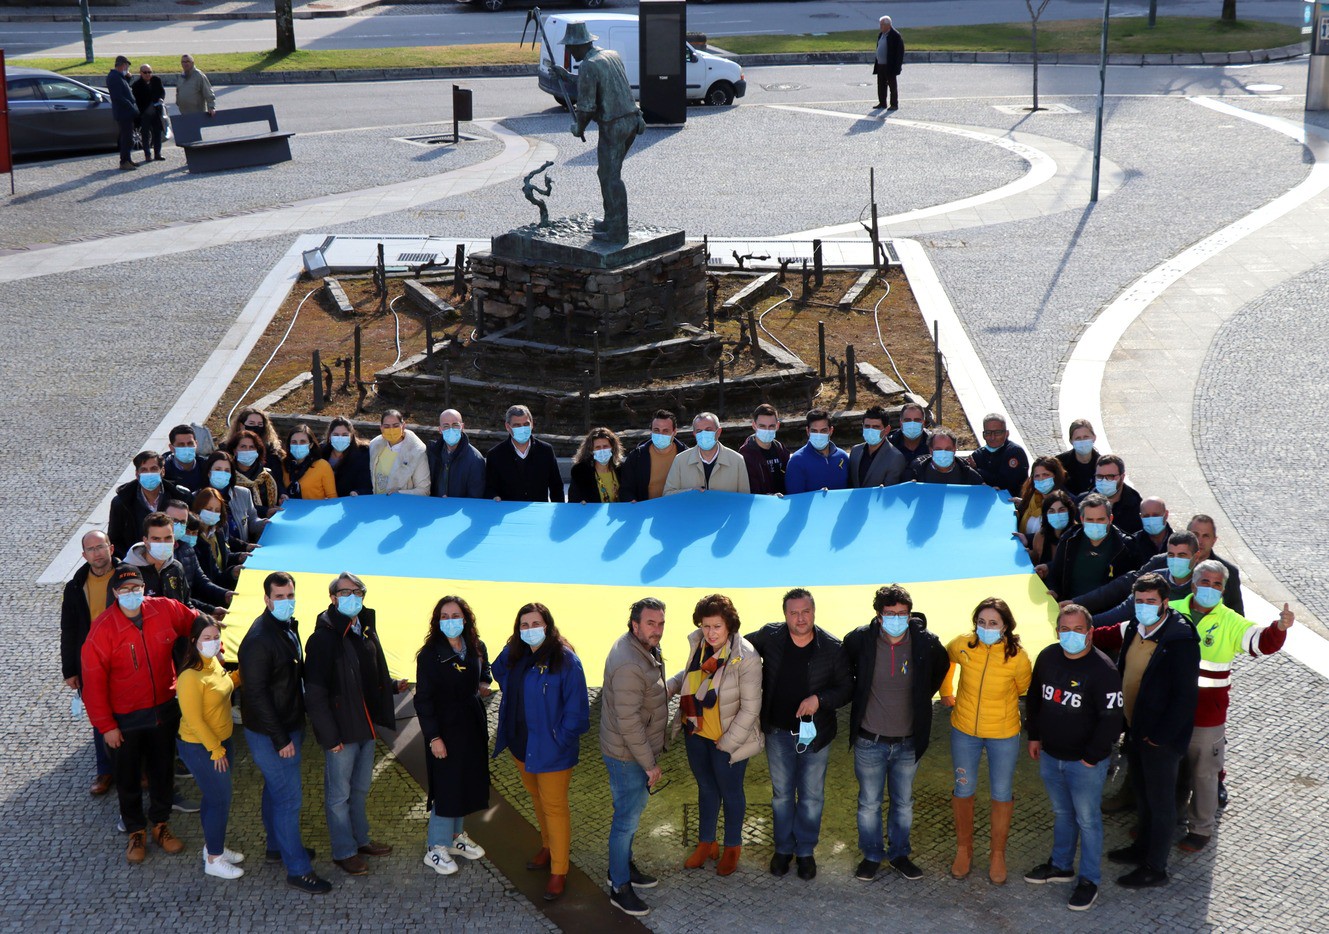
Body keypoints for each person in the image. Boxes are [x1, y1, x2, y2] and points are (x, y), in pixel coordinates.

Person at [1168, 562, 1291, 852]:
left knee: (1204, 773)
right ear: (1194, 583)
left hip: (1207, 713)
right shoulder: (1171, 608)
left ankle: (1200, 829)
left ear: (1224, 589)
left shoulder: (1231, 620)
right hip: (1170, 709)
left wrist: (1280, 628)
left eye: (1217, 584)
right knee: (1168, 768)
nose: (1211, 588)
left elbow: (1260, 642)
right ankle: (1164, 819)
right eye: (1206, 582)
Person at [81, 565, 199, 864]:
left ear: (144, 588)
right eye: (124, 590)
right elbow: (92, 685)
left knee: (163, 771)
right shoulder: (102, 630)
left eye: (136, 588)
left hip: (164, 708)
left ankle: (161, 824)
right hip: (125, 718)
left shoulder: (165, 609)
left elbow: (197, 624)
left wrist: (213, 648)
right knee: (127, 777)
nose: (131, 594)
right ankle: (135, 830)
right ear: (115, 594)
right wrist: (106, 726)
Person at [840, 584, 948, 882]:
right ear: (879, 616)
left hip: (908, 743)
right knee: (869, 803)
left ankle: (900, 854)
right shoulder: (859, 640)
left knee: (903, 803)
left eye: (903, 614)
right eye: (891, 614)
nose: (897, 619)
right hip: (869, 741)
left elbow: (938, 671)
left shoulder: (926, 644)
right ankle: (872, 855)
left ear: (910, 614)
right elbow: (846, 670)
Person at [1023, 604, 1124, 912]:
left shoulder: (1103, 670)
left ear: (1090, 632)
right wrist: (1035, 736)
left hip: (1085, 764)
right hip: (1051, 756)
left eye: (1077, 630)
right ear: (1057, 632)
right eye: (1064, 630)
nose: (1070, 635)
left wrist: (1092, 759)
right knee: (1062, 814)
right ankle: (1061, 865)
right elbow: (1035, 697)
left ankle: (1089, 880)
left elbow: (1112, 719)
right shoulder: (1048, 656)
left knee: (1088, 820)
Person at [304, 573, 405, 876]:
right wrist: (329, 735)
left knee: (359, 789)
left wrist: (389, 686)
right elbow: (315, 692)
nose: (351, 596)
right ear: (332, 598)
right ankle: (343, 850)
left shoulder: (364, 628)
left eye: (356, 591)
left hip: (366, 725)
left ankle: (361, 840)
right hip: (342, 731)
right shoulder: (322, 638)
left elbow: (366, 672)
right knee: (339, 796)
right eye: (344, 592)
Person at [747, 588, 851, 881]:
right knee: (781, 796)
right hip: (778, 733)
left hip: (815, 736)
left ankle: (805, 851)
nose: (800, 618)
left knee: (811, 797)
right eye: (793, 613)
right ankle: (782, 849)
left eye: (805, 612)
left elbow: (846, 688)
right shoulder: (770, 636)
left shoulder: (832, 647)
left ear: (814, 612)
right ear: (785, 615)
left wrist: (819, 700)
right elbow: (739, 647)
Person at [238, 572, 332, 894]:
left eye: (290, 595)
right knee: (289, 799)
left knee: (276, 791)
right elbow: (256, 695)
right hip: (273, 733)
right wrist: (280, 740)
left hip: (288, 724)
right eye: (279, 597)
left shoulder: (286, 626)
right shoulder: (259, 640)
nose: (286, 602)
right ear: (266, 599)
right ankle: (298, 869)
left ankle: (278, 847)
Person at [1103, 574, 1199, 888]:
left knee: (1161, 804)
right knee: (1142, 795)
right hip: (1135, 729)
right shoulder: (1135, 627)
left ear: (1165, 602)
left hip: (1160, 739)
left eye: (1151, 602)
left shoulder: (1180, 640)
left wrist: (1159, 737)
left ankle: (1155, 867)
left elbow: (1185, 697)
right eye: (1140, 601)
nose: (1144, 607)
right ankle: (1140, 848)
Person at [491, 603, 590, 901]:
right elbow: (497, 671)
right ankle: (548, 847)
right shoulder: (517, 656)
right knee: (538, 800)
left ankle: (559, 870)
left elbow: (578, 712)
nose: (529, 629)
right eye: (524, 625)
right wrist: (512, 644)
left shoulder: (566, 661)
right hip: (523, 746)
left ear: (547, 625)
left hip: (552, 751)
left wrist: (559, 739)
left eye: (535, 623)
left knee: (555, 807)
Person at [668, 594, 763, 876]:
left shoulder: (746, 656)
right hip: (696, 732)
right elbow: (690, 675)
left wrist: (729, 742)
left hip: (727, 741)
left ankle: (732, 847)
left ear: (729, 626)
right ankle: (706, 843)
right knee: (706, 789)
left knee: (731, 793)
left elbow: (750, 708)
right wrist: (670, 686)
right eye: (705, 626)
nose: (710, 633)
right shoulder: (699, 643)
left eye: (716, 627)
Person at [942, 597, 1032, 884]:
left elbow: (1023, 688)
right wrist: (946, 691)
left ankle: (997, 854)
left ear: (1005, 625)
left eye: (993, 623)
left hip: (1003, 734)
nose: (986, 627)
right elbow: (947, 658)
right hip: (965, 729)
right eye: (981, 622)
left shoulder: (1017, 657)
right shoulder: (963, 644)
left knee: (1002, 792)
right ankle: (963, 849)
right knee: (963, 786)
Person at [601, 598, 669, 917]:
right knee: (626, 820)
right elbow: (628, 721)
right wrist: (649, 764)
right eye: (651, 623)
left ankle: (621, 867)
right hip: (629, 756)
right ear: (635, 625)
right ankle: (619, 886)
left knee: (627, 816)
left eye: (661, 623)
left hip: (627, 751)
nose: (657, 630)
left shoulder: (639, 647)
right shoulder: (630, 662)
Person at [416, 595, 492, 876]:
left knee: (465, 781)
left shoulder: (474, 646)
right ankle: (435, 847)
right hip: (445, 728)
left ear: (465, 618)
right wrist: (434, 737)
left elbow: (486, 669)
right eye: (445, 617)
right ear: (437, 622)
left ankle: (455, 837)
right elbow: (423, 700)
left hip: (471, 725)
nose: (451, 621)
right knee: (447, 786)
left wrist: (484, 682)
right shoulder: (429, 656)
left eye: (455, 615)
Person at [551, 21, 647, 242]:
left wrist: (579, 127)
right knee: (608, 174)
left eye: (570, 47)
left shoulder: (588, 65)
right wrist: (566, 76)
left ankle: (618, 229)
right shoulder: (610, 55)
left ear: (580, 45)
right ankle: (611, 220)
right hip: (632, 120)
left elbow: (586, 107)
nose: (568, 50)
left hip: (614, 125)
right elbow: (597, 81)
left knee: (610, 177)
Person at [175, 615, 244, 879]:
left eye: (216, 637)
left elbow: (223, 686)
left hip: (223, 740)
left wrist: (239, 675)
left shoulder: (213, 663)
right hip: (202, 747)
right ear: (194, 642)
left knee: (214, 798)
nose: (213, 642)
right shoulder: (190, 676)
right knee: (219, 799)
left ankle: (212, 847)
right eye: (207, 638)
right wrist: (216, 750)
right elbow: (194, 719)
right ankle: (214, 859)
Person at [60, 530, 120, 796]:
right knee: (99, 716)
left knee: (131, 712)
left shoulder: (127, 577)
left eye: (101, 547)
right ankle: (105, 769)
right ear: (84, 555)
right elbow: (69, 630)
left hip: (123, 657)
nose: (97, 553)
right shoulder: (75, 586)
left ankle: (137, 768)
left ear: (111, 548)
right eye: (91, 549)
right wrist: (70, 669)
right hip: (91, 661)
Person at [1078, 530, 1200, 626]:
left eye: (1182, 555)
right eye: (1171, 555)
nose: (1175, 560)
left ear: (1196, 557)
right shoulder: (1154, 581)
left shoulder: (1204, 586)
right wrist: (1082, 623)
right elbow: (1120, 613)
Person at [1038, 493, 1140, 600]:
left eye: (1100, 519)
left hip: (1106, 613)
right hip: (1068, 608)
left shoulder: (1126, 547)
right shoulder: (1069, 539)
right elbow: (1056, 574)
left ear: (1110, 519)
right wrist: (1055, 591)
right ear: (1082, 519)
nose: (1095, 524)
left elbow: (1126, 589)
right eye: (1090, 520)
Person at [108, 451, 190, 559]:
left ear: (162, 471)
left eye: (154, 469)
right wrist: (132, 560)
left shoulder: (177, 496)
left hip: (172, 559)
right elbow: (114, 539)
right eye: (144, 470)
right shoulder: (122, 502)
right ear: (137, 475)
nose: (149, 473)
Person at [163, 500, 232, 619]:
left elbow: (201, 581)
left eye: (182, 522)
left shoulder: (187, 549)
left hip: (190, 613)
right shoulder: (157, 554)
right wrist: (207, 612)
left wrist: (224, 594)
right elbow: (175, 598)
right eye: (174, 521)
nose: (178, 525)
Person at [485, 405, 565, 502]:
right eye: (517, 425)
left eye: (526, 424)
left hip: (538, 512)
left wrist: (557, 513)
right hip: (508, 513)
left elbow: (556, 487)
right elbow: (489, 488)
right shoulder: (495, 455)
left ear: (532, 424)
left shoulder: (545, 451)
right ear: (507, 427)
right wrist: (494, 497)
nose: (522, 428)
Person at [663, 412, 751, 495]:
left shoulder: (737, 460)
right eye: (699, 431)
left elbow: (744, 498)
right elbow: (667, 494)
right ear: (694, 434)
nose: (703, 434)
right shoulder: (680, 460)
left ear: (719, 432)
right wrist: (691, 492)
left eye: (708, 430)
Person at [122, 511, 191, 603]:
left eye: (168, 538)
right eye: (156, 539)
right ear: (145, 541)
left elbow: (186, 604)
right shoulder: (127, 572)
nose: (163, 543)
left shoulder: (176, 568)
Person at [620, 409, 688, 502]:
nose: (661, 434)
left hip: (677, 508)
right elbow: (626, 488)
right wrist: (631, 500)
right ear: (651, 431)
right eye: (656, 430)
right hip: (646, 511)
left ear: (674, 432)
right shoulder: (636, 456)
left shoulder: (687, 455)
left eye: (665, 431)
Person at [202, 451, 262, 548]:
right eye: (218, 469)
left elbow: (252, 520)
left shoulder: (244, 493)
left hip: (245, 550)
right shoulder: (198, 497)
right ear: (209, 473)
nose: (222, 473)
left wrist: (264, 523)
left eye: (227, 470)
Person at [1187, 514, 1244, 614]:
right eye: (1195, 535)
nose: (1199, 541)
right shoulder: (1167, 564)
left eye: (1206, 536)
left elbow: (1237, 613)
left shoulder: (1230, 572)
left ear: (1214, 540)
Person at [785, 408, 849, 495]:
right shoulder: (796, 461)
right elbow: (795, 499)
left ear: (831, 431)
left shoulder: (843, 457)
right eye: (814, 431)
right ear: (807, 431)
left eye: (823, 430)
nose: (819, 435)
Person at [369, 410, 430, 496]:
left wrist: (399, 494)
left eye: (395, 426)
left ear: (403, 426)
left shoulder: (417, 451)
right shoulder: (374, 446)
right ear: (381, 428)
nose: (391, 430)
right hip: (378, 505)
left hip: (403, 506)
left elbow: (424, 490)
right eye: (386, 426)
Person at [968, 413, 1029, 499]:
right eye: (988, 433)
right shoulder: (978, 455)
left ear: (1006, 433)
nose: (992, 437)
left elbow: (1006, 482)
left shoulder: (1015, 452)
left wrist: (977, 470)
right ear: (983, 435)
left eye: (997, 433)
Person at [1078, 454, 1143, 535]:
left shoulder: (1136, 504)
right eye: (1099, 476)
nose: (1104, 480)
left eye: (1110, 476)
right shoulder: (1081, 502)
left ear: (1122, 477)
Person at [427, 409, 485, 499]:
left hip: (457, 510)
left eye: (455, 425)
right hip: (434, 507)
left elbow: (475, 497)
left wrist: (452, 503)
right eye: (446, 426)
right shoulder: (432, 453)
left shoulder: (475, 459)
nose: (451, 429)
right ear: (440, 430)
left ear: (462, 427)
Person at [848, 405, 908, 489]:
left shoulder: (895, 457)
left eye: (876, 427)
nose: (870, 430)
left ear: (886, 430)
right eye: (867, 426)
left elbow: (889, 492)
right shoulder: (855, 451)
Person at [737, 403, 790, 495]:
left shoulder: (780, 449)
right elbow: (746, 489)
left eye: (771, 426)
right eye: (762, 426)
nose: (767, 430)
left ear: (777, 426)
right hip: (760, 505)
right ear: (754, 425)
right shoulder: (745, 455)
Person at [226, 429, 280, 516]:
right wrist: (265, 511)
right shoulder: (228, 475)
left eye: (252, 447)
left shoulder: (266, 475)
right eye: (243, 446)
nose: (247, 450)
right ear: (235, 450)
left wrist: (282, 496)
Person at [1015, 456, 1067, 546]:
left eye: (1046, 475)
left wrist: (1028, 539)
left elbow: (1056, 534)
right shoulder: (1031, 497)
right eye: (1037, 476)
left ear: (1055, 476)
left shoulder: (1064, 502)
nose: (1041, 479)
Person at [229, 407, 287, 487]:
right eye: (251, 423)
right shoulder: (226, 450)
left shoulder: (271, 452)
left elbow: (278, 481)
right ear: (241, 425)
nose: (256, 428)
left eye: (260, 424)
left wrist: (282, 494)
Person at [192, 487, 236, 590]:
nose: (213, 513)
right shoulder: (192, 536)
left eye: (217, 510)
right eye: (208, 509)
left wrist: (240, 557)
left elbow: (225, 557)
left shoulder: (219, 531)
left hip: (220, 588)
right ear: (199, 507)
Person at [280, 424, 337, 501]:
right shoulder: (284, 464)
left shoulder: (322, 466)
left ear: (311, 445)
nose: (298, 445)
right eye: (294, 442)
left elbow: (332, 497)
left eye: (302, 442)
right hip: (290, 510)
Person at [568, 427, 624, 503]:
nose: (602, 450)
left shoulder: (622, 469)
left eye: (605, 446)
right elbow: (573, 500)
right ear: (591, 450)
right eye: (598, 447)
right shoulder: (580, 472)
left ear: (613, 448)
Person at [909, 428, 983, 486]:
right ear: (931, 450)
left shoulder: (968, 474)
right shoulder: (917, 472)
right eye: (938, 449)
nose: (943, 453)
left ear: (954, 449)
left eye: (948, 449)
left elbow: (983, 493)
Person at [324, 417, 373, 498]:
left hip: (350, 502)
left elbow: (366, 484)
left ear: (351, 436)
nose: (340, 438)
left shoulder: (363, 454)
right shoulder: (322, 452)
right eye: (336, 435)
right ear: (329, 436)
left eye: (345, 435)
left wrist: (358, 492)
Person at [1028, 490, 1078, 566]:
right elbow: (1036, 563)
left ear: (1069, 511)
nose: (1057, 515)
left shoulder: (1078, 535)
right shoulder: (1040, 536)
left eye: (1061, 510)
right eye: (1052, 511)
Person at [106, 55, 138, 170]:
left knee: (129, 137)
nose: (127, 68)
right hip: (123, 112)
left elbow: (125, 89)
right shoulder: (114, 77)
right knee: (126, 138)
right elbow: (118, 96)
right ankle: (124, 161)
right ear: (122, 65)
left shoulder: (119, 76)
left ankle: (128, 159)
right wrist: (131, 108)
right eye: (126, 66)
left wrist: (128, 78)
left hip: (126, 112)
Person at [1055, 418, 1101, 496]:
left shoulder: (1102, 464)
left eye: (1086, 437)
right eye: (1078, 438)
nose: (1082, 441)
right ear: (1071, 441)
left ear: (1094, 438)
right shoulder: (1060, 463)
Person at [131, 63, 166, 162]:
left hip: (156, 111)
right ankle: (147, 154)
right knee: (145, 134)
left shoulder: (156, 80)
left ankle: (157, 153)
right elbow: (137, 100)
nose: (147, 74)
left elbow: (162, 92)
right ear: (140, 73)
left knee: (157, 132)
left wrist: (161, 99)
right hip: (145, 112)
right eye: (145, 72)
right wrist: (145, 109)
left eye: (149, 72)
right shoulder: (136, 85)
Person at [873, 16, 904, 111]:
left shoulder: (895, 35)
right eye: (880, 24)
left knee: (892, 86)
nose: (880, 26)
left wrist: (897, 67)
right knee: (881, 85)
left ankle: (894, 104)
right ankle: (882, 103)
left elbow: (900, 53)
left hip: (890, 65)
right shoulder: (881, 35)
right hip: (880, 65)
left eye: (882, 25)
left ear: (888, 25)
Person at [1129, 497, 1172, 564]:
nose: (1151, 520)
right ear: (1141, 517)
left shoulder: (1179, 542)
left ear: (1166, 515)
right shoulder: (1132, 543)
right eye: (1146, 516)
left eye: (1155, 515)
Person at [163, 425, 205, 494]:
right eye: (181, 445)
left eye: (190, 443)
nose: (186, 447)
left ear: (196, 444)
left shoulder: (206, 466)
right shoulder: (164, 471)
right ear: (171, 448)